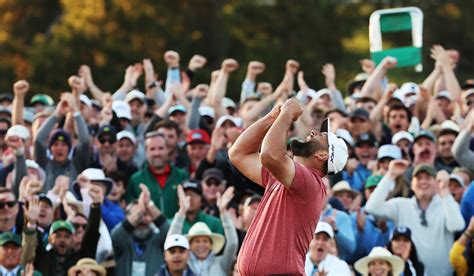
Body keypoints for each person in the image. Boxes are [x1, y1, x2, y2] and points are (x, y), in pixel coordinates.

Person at [229, 97, 348, 274]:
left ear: (323, 155)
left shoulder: (311, 182)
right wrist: (272, 117)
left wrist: (286, 115)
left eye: (322, 136)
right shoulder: (285, 176)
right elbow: (238, 153)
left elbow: (269, 155)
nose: (314, 132)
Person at [365, 160, 465, 275]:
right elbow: (372, 208)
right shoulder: (401, 205)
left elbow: (457, 226)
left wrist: (445, 190)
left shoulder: (447, 204)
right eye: (419, 178)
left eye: (428, 178)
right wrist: (391, 174)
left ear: (436, 183)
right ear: (412, 184)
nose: (423, 181)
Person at [168, 186, 238, 275]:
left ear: (211, 245)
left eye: (205, 241)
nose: (201, 245)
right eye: (197, 241)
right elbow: (171, 242)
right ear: (189, 245)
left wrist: (223, 212)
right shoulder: (184, 263)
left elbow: (233, 244)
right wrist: (182, 211)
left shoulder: (221, 263)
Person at [126, 131, 189, 218]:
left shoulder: (182, 176)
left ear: (167, 150)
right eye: (152, 149)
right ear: (146, 151)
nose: (157, 153)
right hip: (148, 230)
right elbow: (131, 210)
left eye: (161, 148)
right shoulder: (136, 179)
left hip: (177, 229)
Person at [112, 184, 170, 276]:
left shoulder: (158, 240)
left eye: (146, 214)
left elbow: (170, 232)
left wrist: (149, 205)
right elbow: (115, 236)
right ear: (127, 218)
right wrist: (141, 210)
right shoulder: (123, 241)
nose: (142, 219)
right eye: (137, 214)